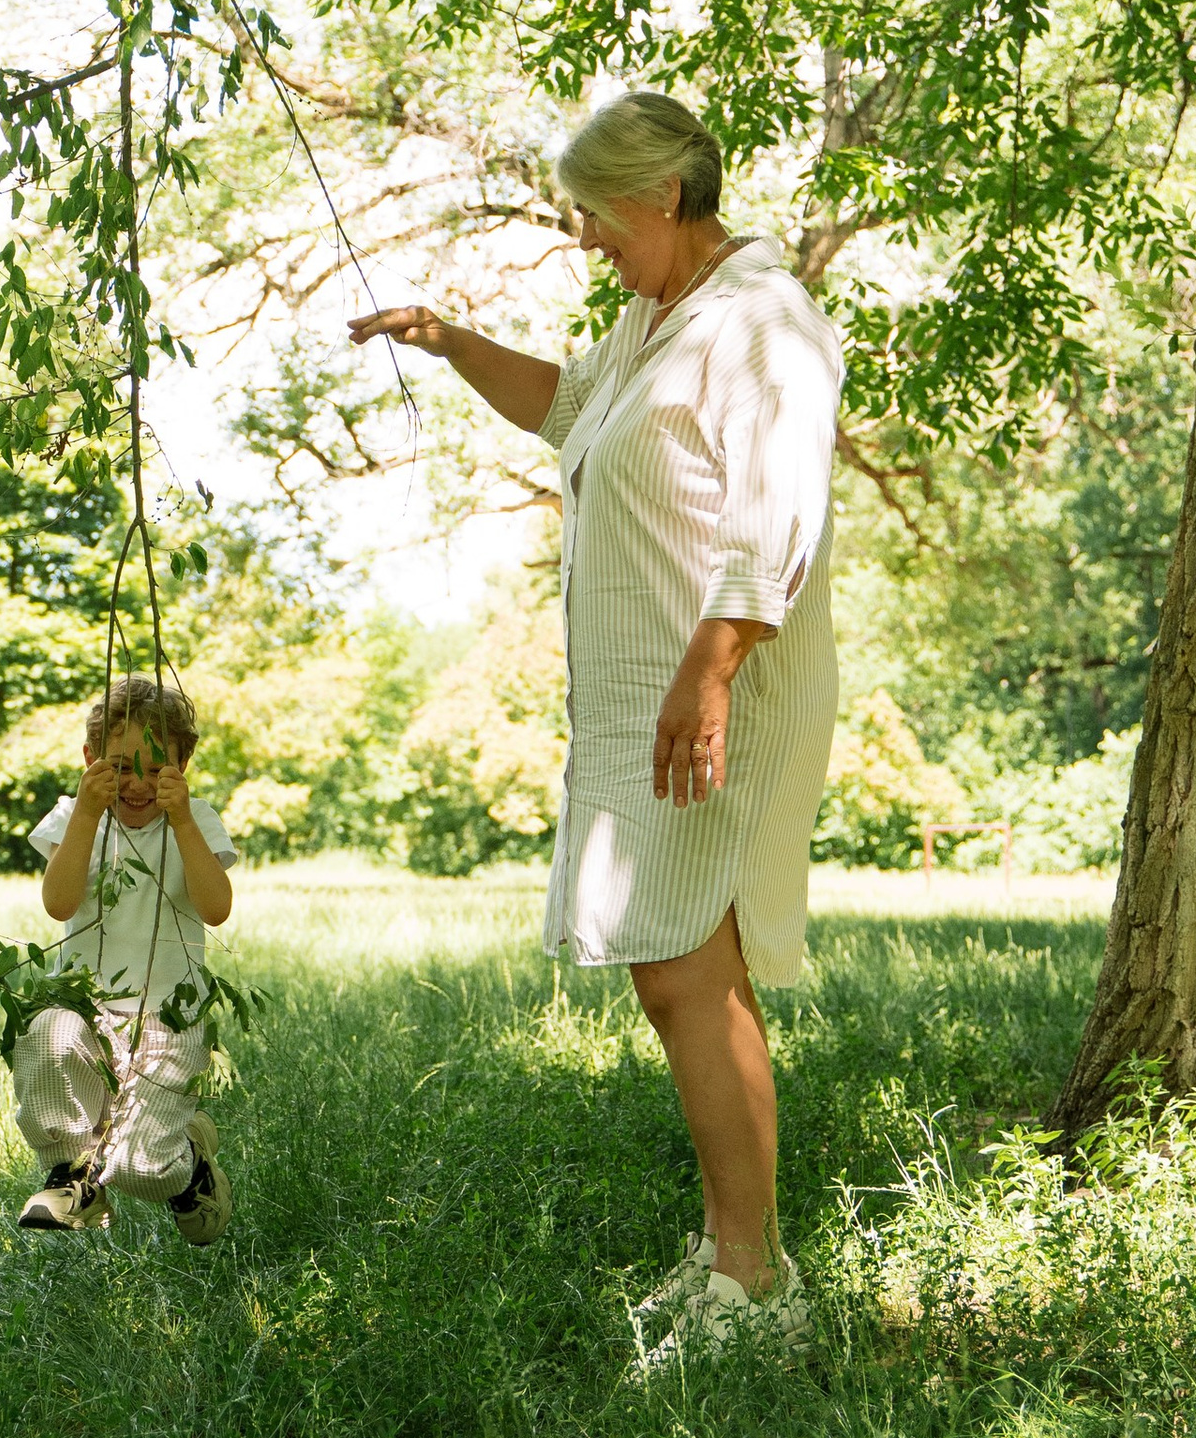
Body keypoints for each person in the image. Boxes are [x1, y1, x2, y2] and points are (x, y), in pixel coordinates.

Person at [352, 89, 841, 1365]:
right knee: (675, 968)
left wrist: (712, 670)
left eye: (595, 214)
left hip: (708, 681)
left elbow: (775, 518)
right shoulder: (656, 314)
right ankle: (738, 1257)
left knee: (687, 967)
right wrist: (453, 342)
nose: (584, 239)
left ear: (664, 198)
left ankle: (752, 1282)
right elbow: (574, 409)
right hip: (650, 684)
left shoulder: (764, 324)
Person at [14, 672, 238, 1245]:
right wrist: (88, 815)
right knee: (47, 1032)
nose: (136, 784)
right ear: (90, 759)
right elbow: (58, 901)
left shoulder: (195, 819)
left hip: (169, 1014)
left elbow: (216, 910)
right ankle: (73, 1177)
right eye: (118, 766)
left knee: (142, 1169)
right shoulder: (75, 819)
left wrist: (184, 819)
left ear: (182, 768)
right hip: (86, 1009)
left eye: (156, 767)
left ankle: (187, 1166)